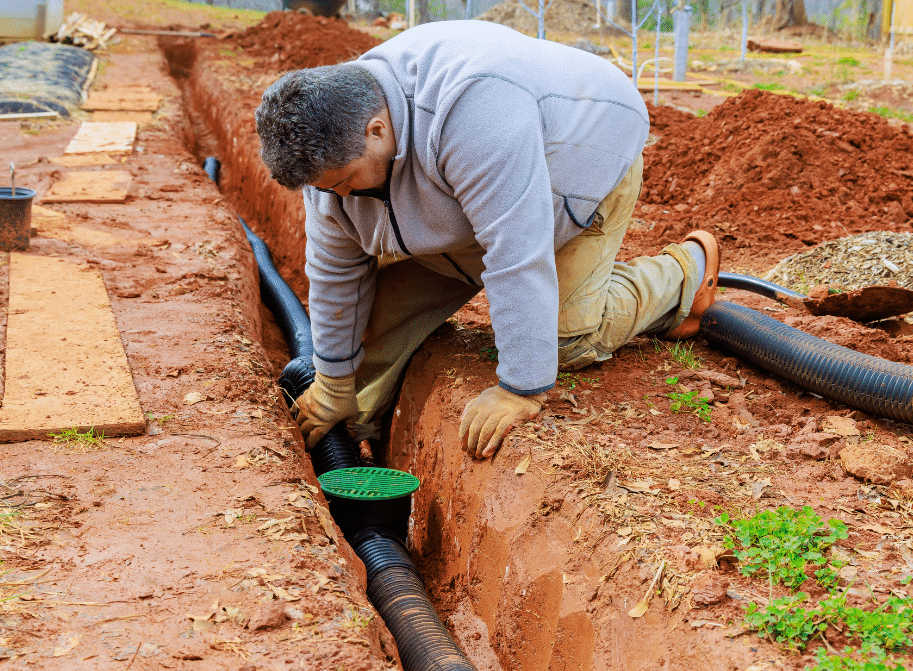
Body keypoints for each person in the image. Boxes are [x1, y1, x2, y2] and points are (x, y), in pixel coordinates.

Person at [254, 19, 719, 461]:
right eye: (324, 189)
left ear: (377, 131)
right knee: (369, 330)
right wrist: (334, 384)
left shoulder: (473, 111)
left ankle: (684, 272)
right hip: (470, 201)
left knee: (563, 342)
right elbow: (335, 272)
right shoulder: (334, 152)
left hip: (578, 162)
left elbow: (516, 254)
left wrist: (519, 388)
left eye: (344, 182)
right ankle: (362, 446)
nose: (338, 197)